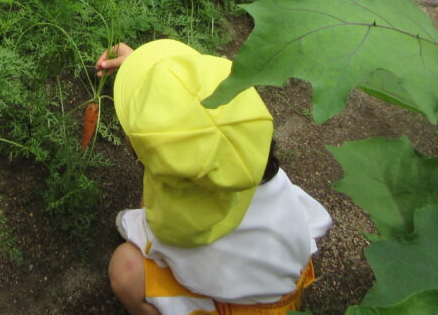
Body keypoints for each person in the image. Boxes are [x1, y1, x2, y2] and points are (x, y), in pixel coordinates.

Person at [95, 39, 331, 315]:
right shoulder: (246, 159)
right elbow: (198, 114)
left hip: (238, 309)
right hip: (284, 285)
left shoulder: (179, 225)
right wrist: (142, 67)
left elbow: (139, 225)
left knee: (125, 268)